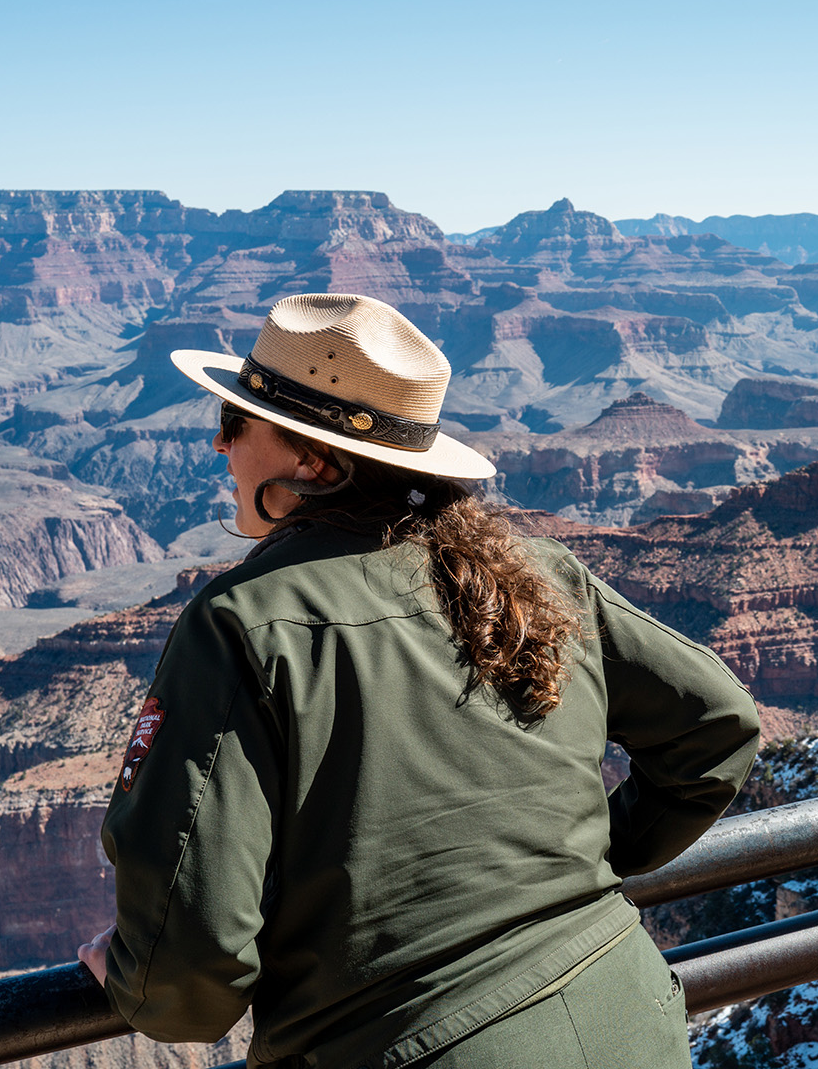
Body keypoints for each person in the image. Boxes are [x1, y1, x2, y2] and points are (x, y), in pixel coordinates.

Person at [76, 293, 761, 1069]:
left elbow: (189, 971)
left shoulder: (243, 624)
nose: (217, 444)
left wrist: (135, 981)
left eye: (235, 423)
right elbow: (716, 729)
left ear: (314, 461)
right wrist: (575, 866)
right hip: (628, 1018)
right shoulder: (536, 573)